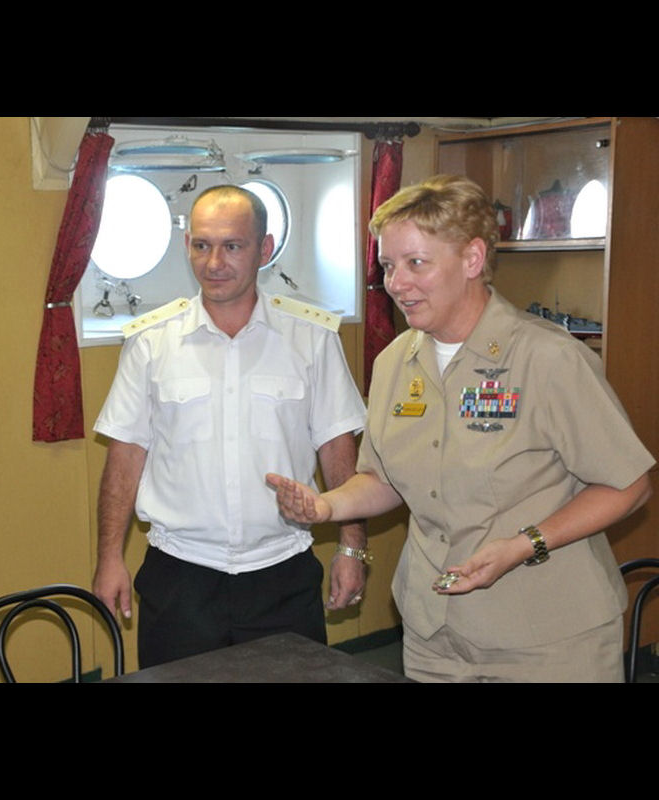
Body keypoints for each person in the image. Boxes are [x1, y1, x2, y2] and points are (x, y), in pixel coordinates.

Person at [268, 174, 655, 683]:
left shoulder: (547, 358)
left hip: (547, 638)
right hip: (435, 634)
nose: (396, 283)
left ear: (472, 259)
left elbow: (629, 484)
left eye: (416, 263)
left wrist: (523, 544)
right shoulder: (394, 363)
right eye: (388, 266)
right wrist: (326, 506)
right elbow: (383, 479)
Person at [93, 184, 367, 668]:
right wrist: (109, 556)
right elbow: (125, 457)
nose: (214, 262)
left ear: (265, 248)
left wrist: (352, 548)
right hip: (180, 576)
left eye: (232, 246)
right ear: (187, 245)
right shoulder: (152, 342)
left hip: (282, 572)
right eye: (202, 245)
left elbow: (337, 451)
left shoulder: (311, 339)